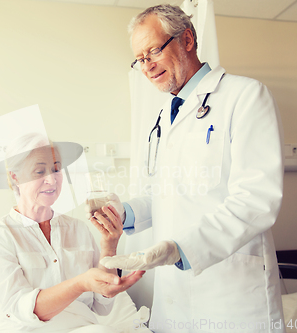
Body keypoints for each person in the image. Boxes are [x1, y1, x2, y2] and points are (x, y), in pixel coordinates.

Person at [100, 4, 285, 333]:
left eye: (153, 51)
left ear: (186, 40)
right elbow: (161, 194)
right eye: (139, 59)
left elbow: (257, 200)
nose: (147, 66)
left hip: (230, 293)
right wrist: (122, 213)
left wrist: (181, 248)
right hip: (174, 298)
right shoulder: (162, 118)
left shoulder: (245, 96)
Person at [0, 133, 145, 333]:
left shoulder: (78, 230)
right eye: (39, 171)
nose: (51, 180)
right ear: (15, 176)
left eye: (56, 169)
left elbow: (102, 306)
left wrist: (110, 244)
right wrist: (81, 283)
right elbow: (22, 310)